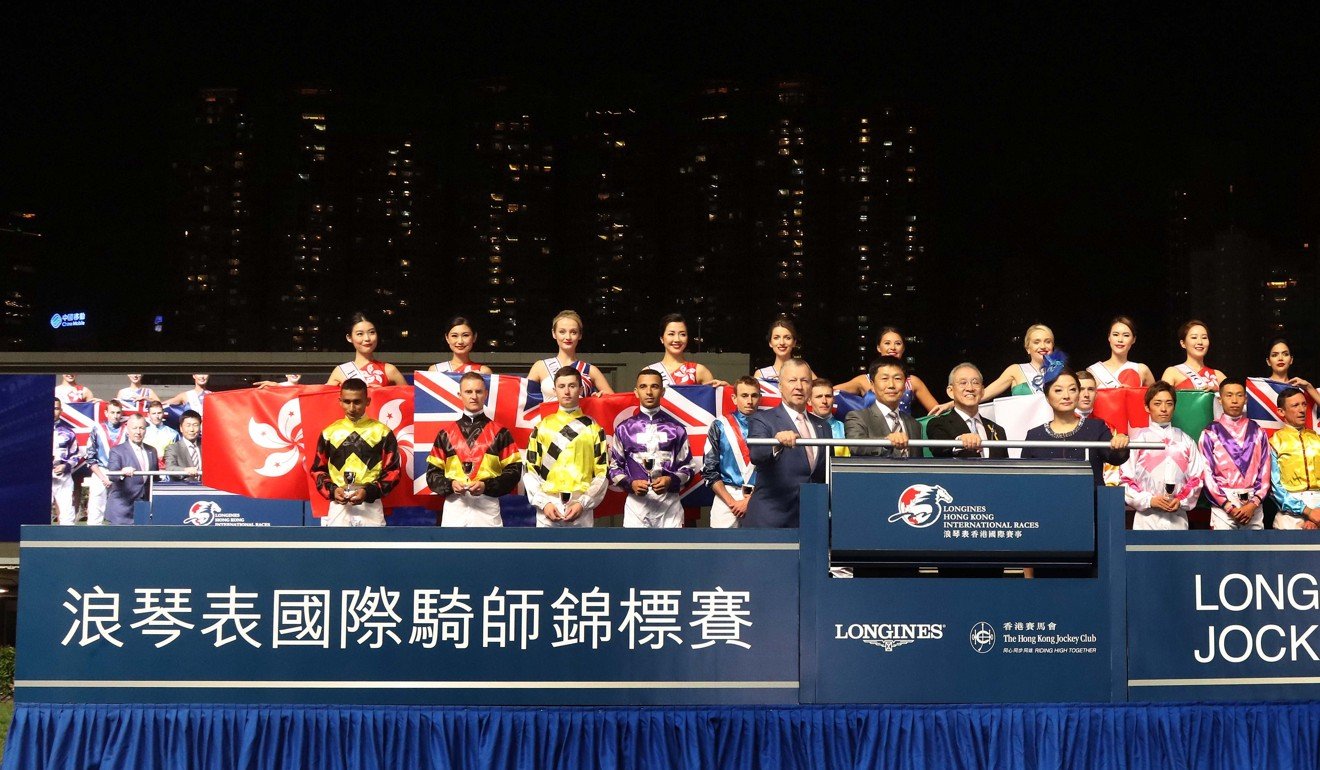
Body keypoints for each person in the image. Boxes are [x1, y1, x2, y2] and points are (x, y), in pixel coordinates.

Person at [424, 372, 522, 527]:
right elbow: (432, 474)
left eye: (479, 391)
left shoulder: (501, 433)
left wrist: (486, 486)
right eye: (468, 392)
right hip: (454, 506)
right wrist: (450, 485)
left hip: (488, 505)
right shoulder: (445, 434)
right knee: (454, 551)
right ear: (460, 394)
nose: (474, 396)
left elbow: (514, 472)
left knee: (487, 550)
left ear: (486, 394)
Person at [524, 367, 610, 527]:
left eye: (572, 386)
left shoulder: (594, 429)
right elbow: (530, 470)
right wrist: (544, 503)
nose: (567, 391)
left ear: (581, 389)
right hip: (548, 506)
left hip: (580, 506)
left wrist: (583, 503)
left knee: (580, 553)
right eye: (562, 386)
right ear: (554, 390)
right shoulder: (542, 427)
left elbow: (602, 473)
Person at [309, 379, 402, 527]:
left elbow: (393, 471)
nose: (352, 407)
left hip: (370, 505)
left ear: (368, 401)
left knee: (372, 550)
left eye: (357, 402)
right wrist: (333, 491)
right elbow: (318, 470)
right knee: (338, 550)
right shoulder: (329, 433)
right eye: (347, 401)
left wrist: (369, 492)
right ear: (340, 401)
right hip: (339, 503)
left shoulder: (382, 432)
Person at [608, 370, 695, 528]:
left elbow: (688, 468)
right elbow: (614, 468)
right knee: (637, 552)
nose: (649, 392)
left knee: (671, 553)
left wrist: (671, 480)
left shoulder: (677, 429)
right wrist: (630, 483)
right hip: (637, 507)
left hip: (669, 506)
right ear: (636, 392)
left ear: (662, 391)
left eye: (654, 386)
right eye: (643, 386)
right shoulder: (624, 429)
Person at [746, 359, 826, 528]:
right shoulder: (762, 419)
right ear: (780, 386)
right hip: (771, 519)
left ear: (811, 387)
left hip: (812, 521)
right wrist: (776, 443)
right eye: (792, 380)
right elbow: (757, 455)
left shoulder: (823, 426)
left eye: (805, 381)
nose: (799, 386)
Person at [1120, 382, 1207, 530]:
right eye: (1157, 403)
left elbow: (1198, 477)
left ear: (1174, 407)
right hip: (1145, 519)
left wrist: (1180, 500)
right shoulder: (1137, 440)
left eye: (1169, 403)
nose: (1163, 409)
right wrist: (1149, 500)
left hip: (1178, 518)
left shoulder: (1186, 441)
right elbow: (1125, 480)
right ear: (1147, 407)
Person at [1022, 369, 1130, 484]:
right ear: (1047, 397)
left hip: (1089, 500)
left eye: (1072, 389)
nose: (1066, 396)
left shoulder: (1096, 428)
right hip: (1046, 500)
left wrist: (1120, 445)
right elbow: (1025, 479)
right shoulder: (1035, 435)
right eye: (1058, 390)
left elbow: (1115, 458)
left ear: (1078, 394)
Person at [1199, 379, 1271, 530]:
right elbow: (1207, 474)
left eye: (1239, 395)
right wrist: (1227, 505)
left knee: (1255, 552)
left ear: (1246, 398)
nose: (1234, 400)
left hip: (1253, 504)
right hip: (1223, 504)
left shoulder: (1258, 431)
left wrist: (1254, 504)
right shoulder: (1210, 432)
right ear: (1220, 399)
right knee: (1224, 552)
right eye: (1229, 395)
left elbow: (1265, 472)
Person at [836, 327, 942, 415]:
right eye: (887, 343)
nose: (892, 347)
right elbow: (827, 392)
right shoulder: (863, 380)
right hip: (874, 435)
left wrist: (952, 404)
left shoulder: (913, 381)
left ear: (903, 348)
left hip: (903, 435)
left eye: (898, 343)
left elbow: (937, 411)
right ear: (878, 347)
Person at [703, 376, 761, 529]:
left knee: (759, 549)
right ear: (734, 398)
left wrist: (749, 501)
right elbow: (709, 470)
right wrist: (732, 502)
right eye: (744, 395)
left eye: (754, 395)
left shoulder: (770, 426)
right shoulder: (719, 425)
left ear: (759, 398)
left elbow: (776, 469)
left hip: (761, 494)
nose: (749, 401)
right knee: (720, 550)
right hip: (726, 496)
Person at [924, 363, 1009, 459]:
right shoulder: (938, 424)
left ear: (982, 391)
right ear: (950, 391)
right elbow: (940, 450)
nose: (970, 388)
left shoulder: (998, 430)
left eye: (975, 382)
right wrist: (960, 441)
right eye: (963, 383)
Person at [526, 310, 614, 399]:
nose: (568, 337)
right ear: (554, 333)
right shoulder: (540, 367)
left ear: (580, 335)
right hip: (548, 413)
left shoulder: (590, 370)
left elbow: (615, 402)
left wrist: (599, 400)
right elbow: (524, 400)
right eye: (562, 332)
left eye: (573, 332)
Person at [845, 357, 922, 458]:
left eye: (897, 378)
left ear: (905, 385)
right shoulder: (857, 417)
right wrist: (887, 443)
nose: (891, 385)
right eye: (884, 379)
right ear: (872, 385)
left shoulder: (914, 424)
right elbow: (856, 447)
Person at [1268, 387, 1320, 530]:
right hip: (1289, 515)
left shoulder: (1317, 439)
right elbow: (1274, 488)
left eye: (1304, 404)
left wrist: (1317, 513)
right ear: (1281, 411)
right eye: (1295, 405)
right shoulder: (1274, 442)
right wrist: (1308, 511)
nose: (1302, 409)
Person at [327, 313, 408, 387]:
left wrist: (382, 393)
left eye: (372, 332)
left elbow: (409, 399)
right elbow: (323, 399)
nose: (367, 338)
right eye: (360, 334)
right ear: (349, 338)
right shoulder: (340, 372)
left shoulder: (389, 370)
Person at [979, 324, 1057, 400]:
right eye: (1036, 342)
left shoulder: (1061, 372)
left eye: (1048, 342)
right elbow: (982, 396)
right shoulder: (1015, 370)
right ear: (1028, 348)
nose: (1043, 346)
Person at [104, 415, 158, 525]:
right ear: (127, 430)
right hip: (122, 510)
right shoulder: (117, 451)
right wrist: (122, 472)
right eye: (134, 428)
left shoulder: (152, 450)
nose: (138, 432)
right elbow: (112, 475)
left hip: (144, 509)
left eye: (141, 428)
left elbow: (155, 479)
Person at [647, 313, 728, 386]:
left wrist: (724, 389)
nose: (677, 339)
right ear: (662, 338)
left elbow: (712, 400)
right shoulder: (649, 371)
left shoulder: (699, 371)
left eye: (682, 334)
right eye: (671, 334)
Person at [85, 400, 129, 526]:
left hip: (121, 473)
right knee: (95, 510)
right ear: (106, 413)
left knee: (119, 509)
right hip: (100, 471)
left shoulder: (126, 430)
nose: (115, 415)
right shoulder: (97, 428)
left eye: (118, 412)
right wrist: (103, 477)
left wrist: (119, 475)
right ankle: (92, 540)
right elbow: (90, 455)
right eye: (112, 412)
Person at [1087, 316, 1156, 389]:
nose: (1120, 340)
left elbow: (1155, 398)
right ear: (1109, 337)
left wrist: (1131, 393)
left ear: (1134, 339)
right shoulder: (1094, 371)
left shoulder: (1142, 370)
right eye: (1115, 335)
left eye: (1126, 335)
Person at [1161, 319, 1226, 391]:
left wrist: (1216, 393)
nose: (1200, 342)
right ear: (1183, 343)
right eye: (1194, 337)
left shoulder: (1218, 375)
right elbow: (1163, 399)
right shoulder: (1172, 372)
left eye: (1204, 337)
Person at [754, 318, 815, 382]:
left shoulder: (804, 371)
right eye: (776, 338)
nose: (782, 343)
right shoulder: (761, 375)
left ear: (794, 342)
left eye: (787, 338)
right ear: (770, 343)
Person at [429, 317, 494, 375]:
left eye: (465, 335)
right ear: (447, 338)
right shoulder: (436, 370)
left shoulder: (483, 371)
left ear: (474, 337)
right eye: (454, 336)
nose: (460, 341)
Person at [52, 399, 80, 525]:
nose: (53, 411)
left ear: (61, 411)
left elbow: (76, 455)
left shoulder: (68, 432)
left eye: (56, 408)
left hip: (63, 476)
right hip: (39, 478)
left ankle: (66, 543)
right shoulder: (34, 432)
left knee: (67, 516)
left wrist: (66, 466)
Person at [809, 379, 850, 457]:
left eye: (828, 396)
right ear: (809, 401)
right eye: (819, 396)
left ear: (834, 400)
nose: (824, 401)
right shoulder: (802, 427)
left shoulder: (845, 428)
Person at [164, 410, 203, 481]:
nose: (191, 429)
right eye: (188, 425)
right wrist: (185, 470)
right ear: (181, 428)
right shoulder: (173, 448)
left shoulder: (207, 446)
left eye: (195, 425)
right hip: (183, 488)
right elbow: (170, 468)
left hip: (207, 490)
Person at [143, 401, 180, 466]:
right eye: (154, 413)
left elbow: (178, 454)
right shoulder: (142, 432)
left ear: (163, 413)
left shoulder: (173, 433)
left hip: (166, 472)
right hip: (147, 470)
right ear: (148, 415)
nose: (157, 416)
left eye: (159, 413)